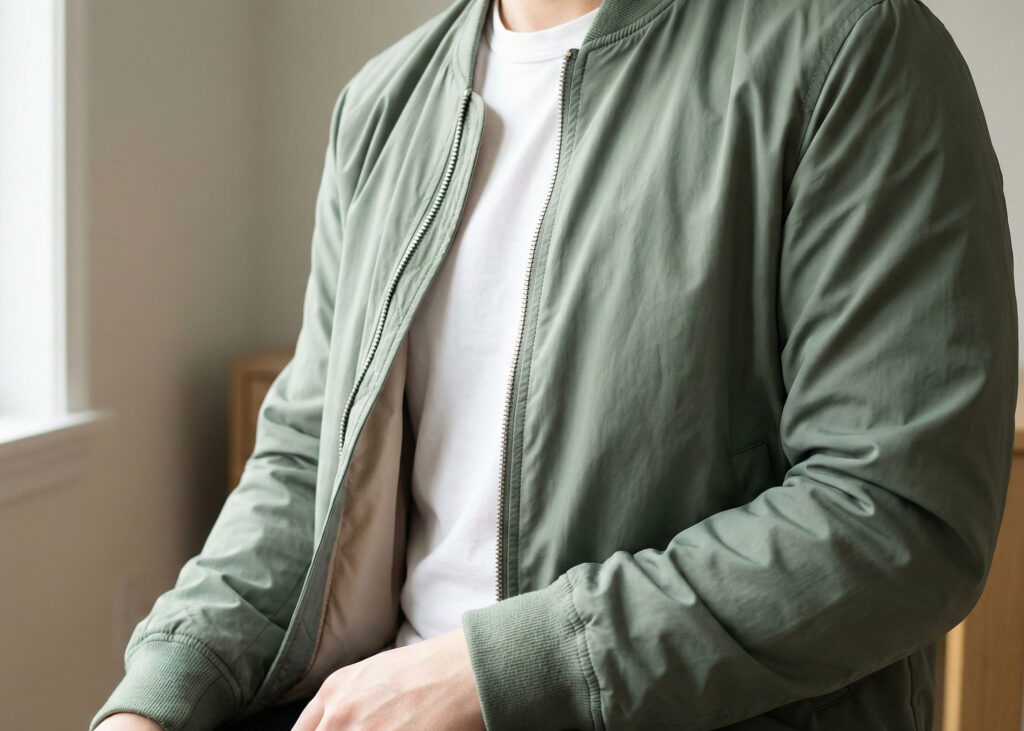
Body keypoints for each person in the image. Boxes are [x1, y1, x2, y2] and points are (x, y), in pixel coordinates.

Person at [92, 0, 1017, 728]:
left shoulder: (854, 49)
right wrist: (163, 683)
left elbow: (897, 514)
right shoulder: (382, 107)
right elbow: (305, 464)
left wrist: (493, 670)